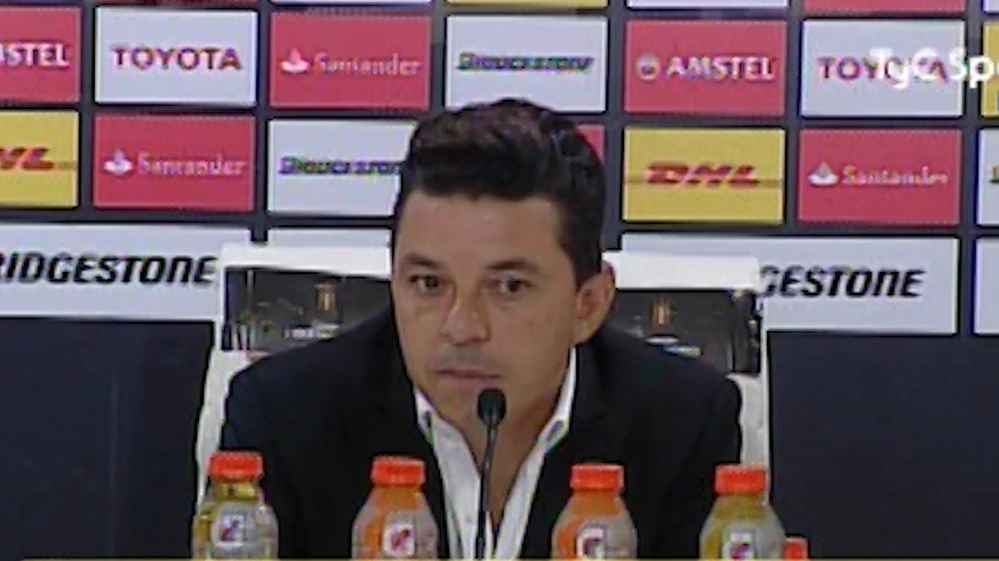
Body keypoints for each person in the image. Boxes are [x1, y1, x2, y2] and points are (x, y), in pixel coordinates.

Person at [217, 98, 742, 559]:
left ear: (588, 304)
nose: (462, 327)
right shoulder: (284, 417)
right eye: (428, 284)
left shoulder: (682, 425)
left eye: (508, 287)